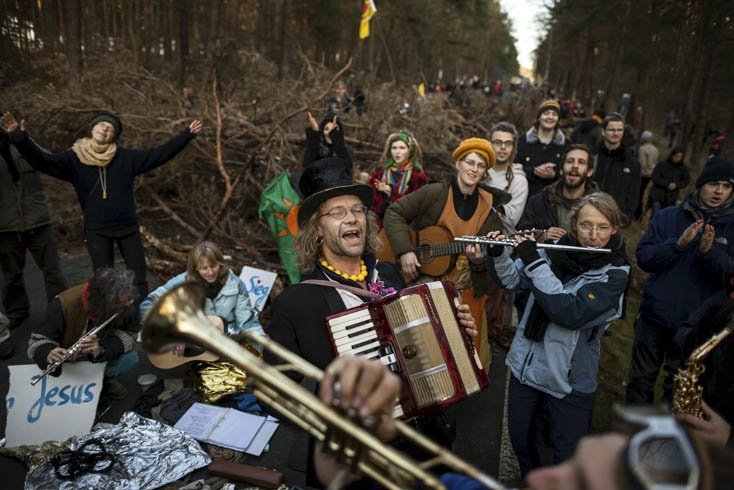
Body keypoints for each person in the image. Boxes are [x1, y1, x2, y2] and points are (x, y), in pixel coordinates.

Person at [265, 157, 479, 486]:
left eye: (356, 210)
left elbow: (418, 348)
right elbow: (273, 395)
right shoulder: (295, 304)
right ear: (317, 230)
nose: (352, 218)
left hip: (426, 446)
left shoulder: (390, 274)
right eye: (337, 212)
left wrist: (454, 333)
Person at [485, 192, 630, 476]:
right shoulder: (552, 249)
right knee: (522, 442)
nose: (593, 235)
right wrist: (498, 253)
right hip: (526, 369)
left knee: (566, 458)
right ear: (574, 224)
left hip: (570, 382)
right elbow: (511, 279)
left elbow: (569, 312)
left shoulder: (615, 275)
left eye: (602, 227)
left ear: (614, 229)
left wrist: (533, 261)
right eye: (586, 225)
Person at [0, 111, 202, 298]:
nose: (105, 129)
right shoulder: (74, 158)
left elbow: (159, 154)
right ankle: (107, 321)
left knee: (138, 277)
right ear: (92, 128)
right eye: (101, 125)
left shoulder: (125, 158)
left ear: (113, 136)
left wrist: (187, 135)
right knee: (104, 281)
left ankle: (140, 316)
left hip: (127, 228)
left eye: (110, 128)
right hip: (97, 230)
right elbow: (43, 161)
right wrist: (20, 138)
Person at [383, 138, 510, 370]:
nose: (473, 169)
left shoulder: (492, 207)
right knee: (423, 348)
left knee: (465, 353)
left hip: (466, 287)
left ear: (485, 172)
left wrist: (479, 261)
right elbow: (394, 213)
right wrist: (405, 251)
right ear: (458, 164)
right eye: (469, 162)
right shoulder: (435, 193)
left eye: (480, 166)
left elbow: (492, 262)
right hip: (425, 282)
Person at [626, 156, 734, 405]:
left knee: (677, 392)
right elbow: (644, 258)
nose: (719, 191)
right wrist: (677, 245)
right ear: (700, 184)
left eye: (727, 186)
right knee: (640, 383)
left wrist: (710, 254)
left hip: (697, 327)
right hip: (654, 317)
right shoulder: (669, 216)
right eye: (713, 183)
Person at [27, 268, 140, 399]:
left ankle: (103, 380)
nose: (127, 304)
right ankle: (71, 386)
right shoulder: (64, 304)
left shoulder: (128, 300)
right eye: (119, 303)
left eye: (128, 299)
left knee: (130, 359)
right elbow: (36, 341)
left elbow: (130, 335)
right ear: (103, 303)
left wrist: (101, 349)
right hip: (68, 361)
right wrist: (48, 353)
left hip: (98, 356)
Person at [1, 125, 68, 333]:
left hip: (38, 221)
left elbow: (48, 161)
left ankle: (61, 310)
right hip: (6, 225)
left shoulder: (22, 144)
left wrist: (23, 139)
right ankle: (17, 312)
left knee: (52, 270)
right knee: (12, 274)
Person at [139, 241, 264, 349]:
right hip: (190, 345)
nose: (210, 272)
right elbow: (147, 305)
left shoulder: (236, 284)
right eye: (204, 268)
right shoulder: (182, 283)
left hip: (225, 344)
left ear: (220, 263)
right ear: (195, 269)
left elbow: (247, 322)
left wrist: (260, 344)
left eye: (213, 266)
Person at [518, 144, 599, 243]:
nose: (575, 166)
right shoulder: (540, 201)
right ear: (561, 170)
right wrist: (542, 236)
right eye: (570, 161)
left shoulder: (600, 205)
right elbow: (520, 235)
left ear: (589, 172)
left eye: (581, 162)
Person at [367, 130, 427, 222]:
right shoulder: (380, 173)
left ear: (410, 151)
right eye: (394, 148)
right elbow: (370, 200)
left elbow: (414, 206)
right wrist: (382, 195)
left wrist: (391, 193)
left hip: (404, 223)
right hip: (379, 222)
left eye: (402, 148)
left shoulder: (417, 177)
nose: (397, 152)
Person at [593, 112, 641, 225]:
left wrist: (627, 216)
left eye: (620, 130)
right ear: (603, 131)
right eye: (612, 130)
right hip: (590, 212)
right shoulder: (593, 155)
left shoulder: (632, 162)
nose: (616, 133)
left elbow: (634, 192)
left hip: (615, 219)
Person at [516, 99, 570, 197]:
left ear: (558, 119)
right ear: (539, 117)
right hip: (525, 196)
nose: (550, 117)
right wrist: (533, 171)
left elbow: (569, 173)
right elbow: (514, 167)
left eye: (554, 114)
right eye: (546, 113)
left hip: (554, 199)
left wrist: (555, 175)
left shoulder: (566, 145)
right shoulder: (523, 141)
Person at [486, 122, 528, 228]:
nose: (503, 147)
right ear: (489, 144)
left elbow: (511, 220)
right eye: (498, 142)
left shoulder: (518, 180)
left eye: (508, 143)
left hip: (498, 238)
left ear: (514, 147)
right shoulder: (478, 171)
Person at [649, 147, 691, 217]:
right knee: (655, 216)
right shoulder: (662, 164)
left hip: (671, 198)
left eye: (679, 157)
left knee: (665, 218)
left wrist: (677, 185)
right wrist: (667, 184)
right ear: (672, 155)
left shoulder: (683, 168)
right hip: (658, 195)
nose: (677, 158)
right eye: (676, 156)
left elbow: (686, 180)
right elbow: (655, 177)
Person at [636, 130, 659, 219]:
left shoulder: (642, 149)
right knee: (644, 193)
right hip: (651, 174)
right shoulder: (655, 149)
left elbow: (642, 163)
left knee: (639, 193)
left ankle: (638, 213)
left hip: (643, 174)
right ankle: (641, 213)